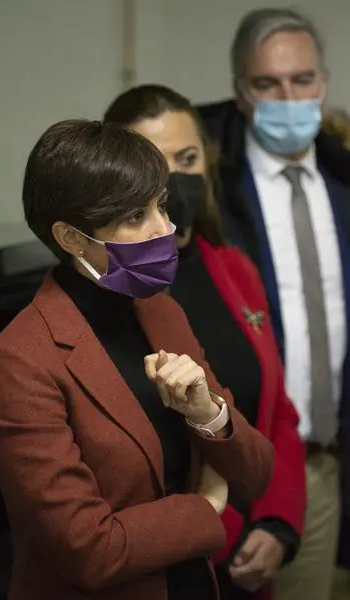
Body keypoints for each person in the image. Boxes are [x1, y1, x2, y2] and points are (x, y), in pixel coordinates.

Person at [0, 119, 273, 600]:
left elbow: (256, 471)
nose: (165, 229)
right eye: (136, 217)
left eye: (161, 205)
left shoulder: (162, 311)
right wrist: (206, 505)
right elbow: (90, 551)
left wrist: (209, 415)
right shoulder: (17, 362)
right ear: (72, 238)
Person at [104, 84, 306, 600]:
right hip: (176, 564)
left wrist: (277, 522)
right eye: (153, 162)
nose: (173, 179)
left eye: (187, 158)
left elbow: (276, 410)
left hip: (258, 553)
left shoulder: (233, 268)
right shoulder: (117, 293)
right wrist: (227, 534)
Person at [195, 8, 350, 600]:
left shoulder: (343, 185)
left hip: (325, 465)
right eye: (268, 84)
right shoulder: (212, 196)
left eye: (302, 80)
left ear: (324, 84)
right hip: (239, 466)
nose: (289, 99)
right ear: (241, 93)